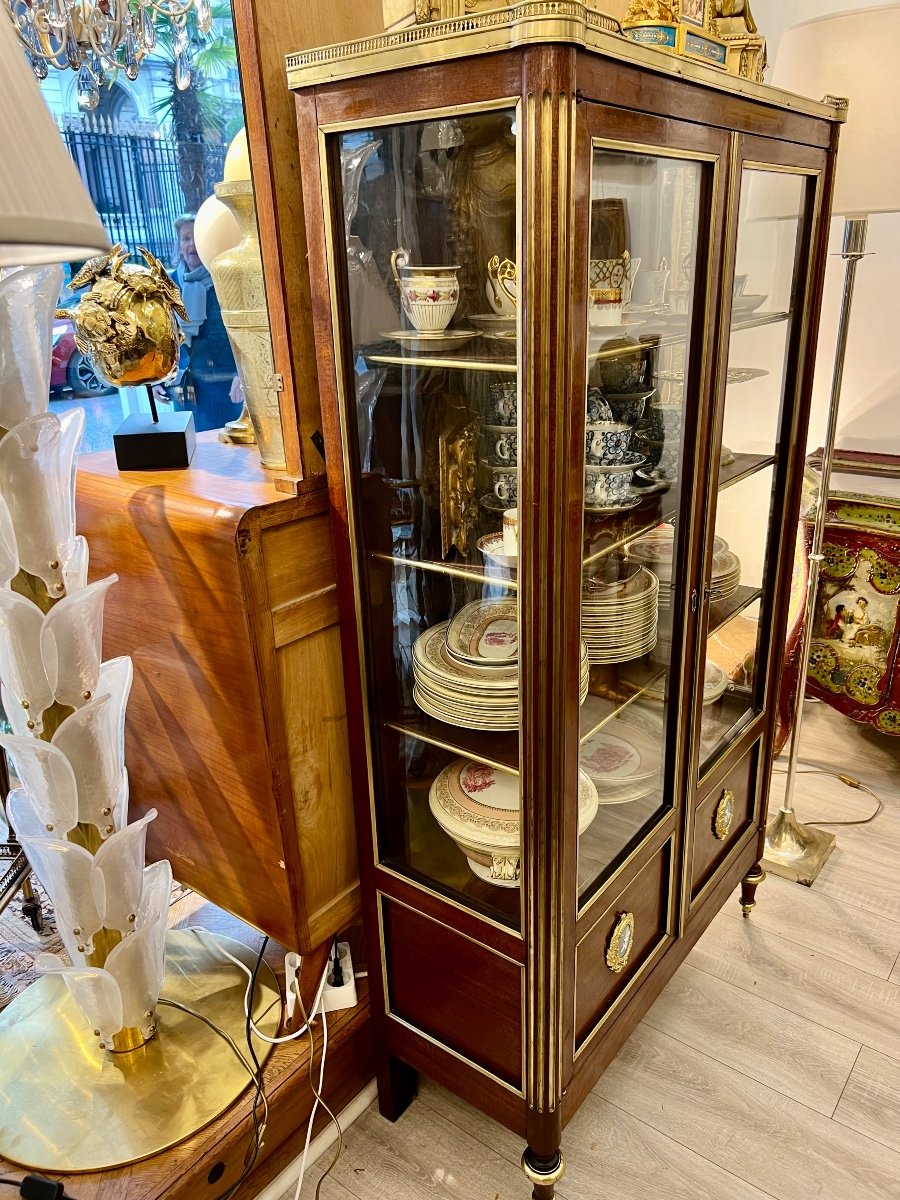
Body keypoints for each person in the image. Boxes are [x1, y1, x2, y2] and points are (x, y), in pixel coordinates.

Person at [157, 214, 239, 432]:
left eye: (196, 238)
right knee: (193, 452)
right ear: (179, 245)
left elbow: (242, 332)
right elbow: (159, 337)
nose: (191, 244)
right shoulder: (168, 285)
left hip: (225, 385)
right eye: (185, 238)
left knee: (227, 450)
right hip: (184, 387)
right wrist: (156, 379)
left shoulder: (225, 282)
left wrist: (243, 376)